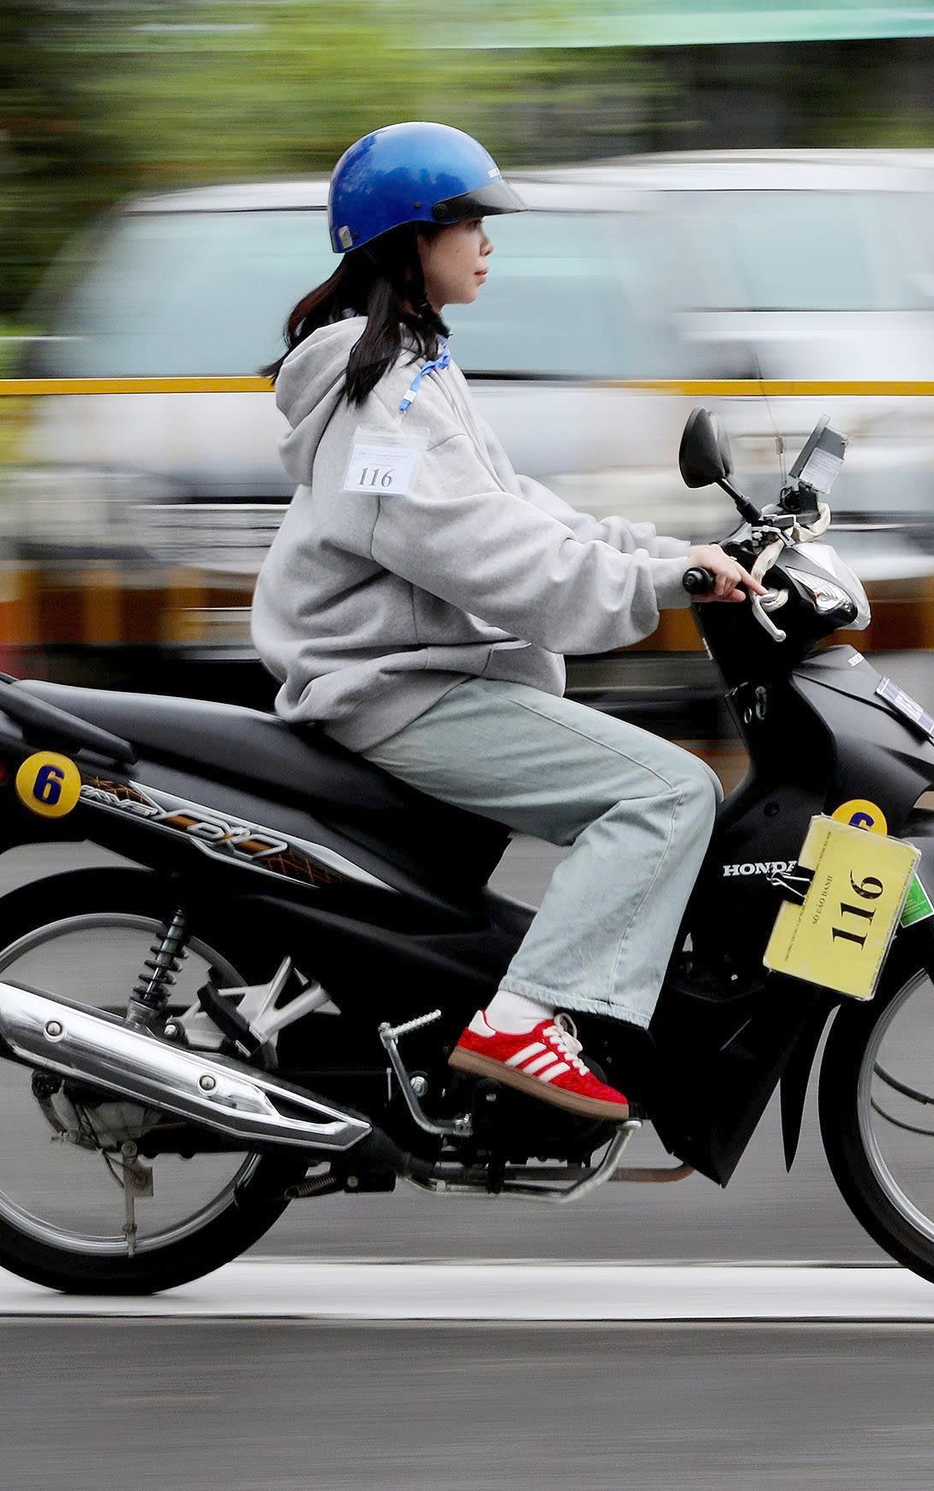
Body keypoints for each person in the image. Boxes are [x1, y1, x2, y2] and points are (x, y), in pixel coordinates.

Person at [250, 121, 760, 1122]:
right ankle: (526, 1025)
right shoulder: (382, 400)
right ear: (411, 238)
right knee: (668, 792)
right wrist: (658, 587)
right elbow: (491, 552)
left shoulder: (415, 366)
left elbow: (521, 507)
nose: (489, 241)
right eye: (471, 221)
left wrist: (670, 556)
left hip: (425, 677)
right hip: (399, 691)